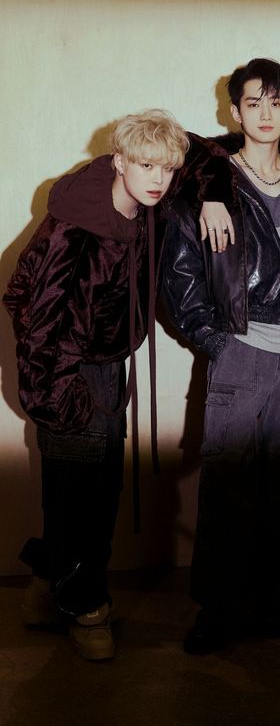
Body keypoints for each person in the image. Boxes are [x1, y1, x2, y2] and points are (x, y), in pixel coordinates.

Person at [162, 57, 280, 653]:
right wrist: (217, 340)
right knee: (227, 485)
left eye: (276, 102)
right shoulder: (208, 183)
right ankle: (217, 610)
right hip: (241, 351)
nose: (266, 113)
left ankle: (271, 597)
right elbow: (180, 274)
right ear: (234, 111)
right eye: (253, 103)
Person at [4, 110, 190, 660]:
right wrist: (57, 389)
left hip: (108, 372)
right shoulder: (77, 225)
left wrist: (213, 198)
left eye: (167, 169)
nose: (158, 179)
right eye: (146, 165)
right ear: (119, 162)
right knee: (84, 504)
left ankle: (43, 591)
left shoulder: (146, 211)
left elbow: (205, 157)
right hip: (69, 374)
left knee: (85, 495)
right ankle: (87, 609)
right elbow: (25, 301)